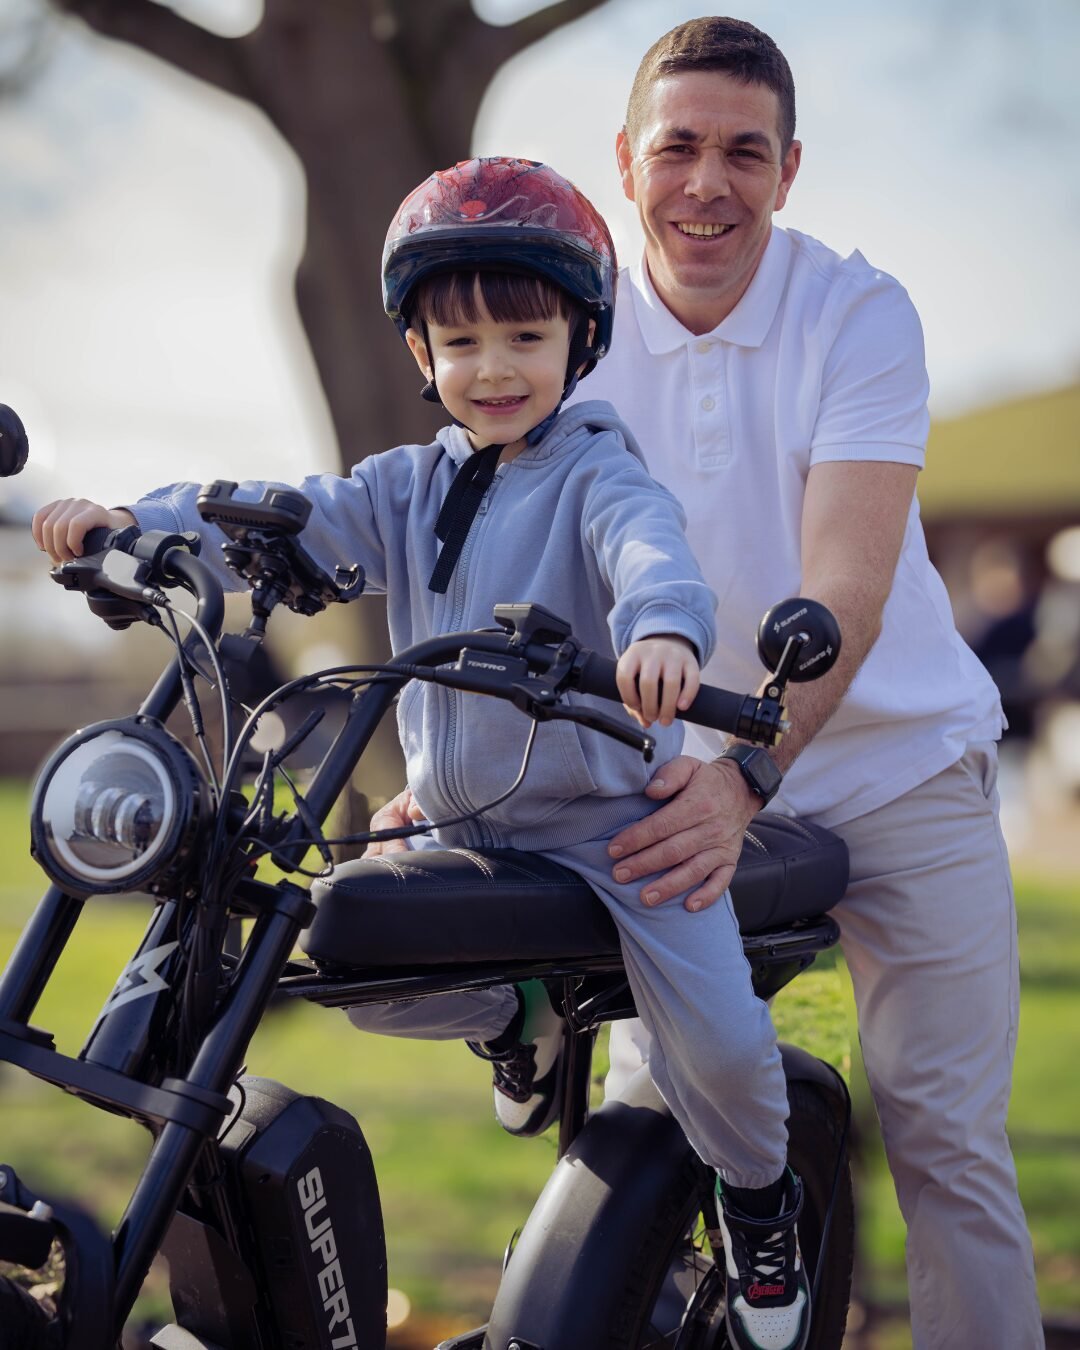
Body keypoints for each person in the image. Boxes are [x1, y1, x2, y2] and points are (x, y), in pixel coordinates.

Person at [34, 157, 819, 1350]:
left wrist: (664, 632)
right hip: (462, 817)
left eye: (525, 334)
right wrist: (135, 526)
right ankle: (515, 1023)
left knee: (712, 1035)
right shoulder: (412, 484)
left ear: (581, 339)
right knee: (345, 957)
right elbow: (282, 514)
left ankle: (763, 1204)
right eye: (461, 345)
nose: (493, 369)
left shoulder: (599, 470)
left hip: (612, 827)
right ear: (420, 355)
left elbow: (650, 551)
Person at [367, 20, 1044, 1350]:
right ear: (626, 162)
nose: (707, 184)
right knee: (658, 1119)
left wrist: (751, 775)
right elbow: (492, 568)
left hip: (893, 764)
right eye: (677, 148)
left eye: (745, 152)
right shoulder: (566, 328)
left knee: (939, 1125)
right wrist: (445, 785)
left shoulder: (857, 313)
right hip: (667, 772)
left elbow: (840, 585)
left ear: (789, 170)